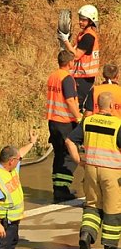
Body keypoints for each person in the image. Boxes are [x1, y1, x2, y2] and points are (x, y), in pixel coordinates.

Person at [64, 92, 121, 249]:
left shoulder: (88, 121)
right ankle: (110, 246)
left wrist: (78, 160)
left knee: (92, 205)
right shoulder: (117, 125)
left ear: (97, 106)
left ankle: (86, 235)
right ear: (111, 106)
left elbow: (69, 140)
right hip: (112, 172)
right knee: (113, 208)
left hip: (90, 170)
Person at [46, 50, 82, 202]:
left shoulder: (53, 76)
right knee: (68, 156)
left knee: (59, 155)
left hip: (53, 120)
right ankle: (62, 190)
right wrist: (78, 117)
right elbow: (70, 101)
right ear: (69, 63)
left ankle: (59, 188)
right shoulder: (67, 78)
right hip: (64, 121)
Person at [58, 4, 100, 113]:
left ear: (91, 21)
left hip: (84, 77)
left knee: (76, 104)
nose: (80, 22)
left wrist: (65, 41)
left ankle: (77, 127)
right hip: (81, 76)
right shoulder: (83, 34)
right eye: (80, 19)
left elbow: (76, 55)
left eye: (84, 20)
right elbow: (73, 51)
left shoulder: (88, 37)